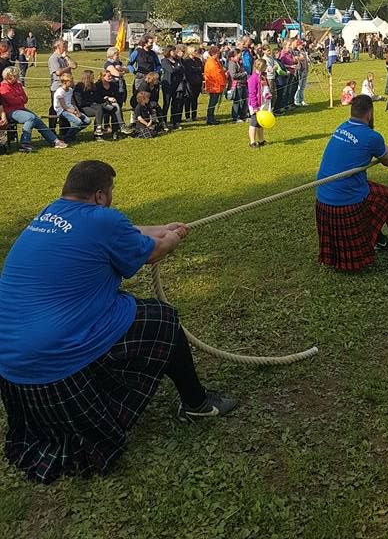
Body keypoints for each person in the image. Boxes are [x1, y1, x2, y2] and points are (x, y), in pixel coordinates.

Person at [0, 161, 236, 484]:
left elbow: (127, 231)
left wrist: (162, 226)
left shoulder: (50, 214)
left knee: (119, 311)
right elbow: (154, 252)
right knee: (163, 320)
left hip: (13, 368)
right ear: (99, 196)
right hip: (53, 364)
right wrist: (172, 239)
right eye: (110, 192)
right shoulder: (102, 220)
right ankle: (196, 404)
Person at [315, 95, 388, 270]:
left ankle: (379, 241)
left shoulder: (341, 128)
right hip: (346, 201)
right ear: (370, 113)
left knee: (372, 195)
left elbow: (379, 147)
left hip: (324, 198)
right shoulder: (371, 136)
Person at [0, 68, 68, 152]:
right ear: (9, 76)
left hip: (21, 108)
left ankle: (55, 141)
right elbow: (12, 101)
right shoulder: (3, 87)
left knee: (37, 120)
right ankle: (24, 144)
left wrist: (19, 98)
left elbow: (25, 99)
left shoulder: (18, 85)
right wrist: (19, 97)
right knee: (30, 118)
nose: (18, 78)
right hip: (10, 111)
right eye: (16, 76)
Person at [48, 39, 77, 133]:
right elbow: (58, 72)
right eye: (64, 46)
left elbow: (75, 65)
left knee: (66, 106)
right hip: (57, 87)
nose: (65, 48)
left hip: (67, 87)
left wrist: (67, 58)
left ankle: (64, 130)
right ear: (57, 47)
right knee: (56, 108)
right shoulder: (54, 58)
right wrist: (69, 67)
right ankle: (52, 129)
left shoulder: (64, 57)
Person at [53, 73, 91, 142]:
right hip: (62, 111)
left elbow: (73, 102)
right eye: (70, 81)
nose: (72, 82)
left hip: (71, 109)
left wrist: (78, 111)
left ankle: (70, 135)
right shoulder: (60, 92)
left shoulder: (70, 90)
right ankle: (67, 137)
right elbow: (63, 106)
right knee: (78, 122)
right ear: (65, 82)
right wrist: (74, 112)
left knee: (87, 121)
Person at [74, 69, 107, 142]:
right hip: (82, 108)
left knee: (100, 108)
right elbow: (79, 102)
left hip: (92, 105)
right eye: (92, 76)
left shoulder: (93, 86)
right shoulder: (79, 87)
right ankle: (98, 131)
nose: (94, 78)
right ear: (88, 77)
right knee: (99, 110)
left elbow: (96, 98)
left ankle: (98, 129)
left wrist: (105, 99)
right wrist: (91, 103)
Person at [247, 58, 271, 148]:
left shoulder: (263, 76)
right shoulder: (253, 78)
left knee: (261, 123)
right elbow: (252, 94)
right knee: (254, 123)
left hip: (263, 103)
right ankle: (252, 142)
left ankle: (261, 140)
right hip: (255, 105)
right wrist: (255, 106)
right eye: (265, 66)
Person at [203, 46, 227, 125]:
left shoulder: (215, 61)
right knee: (212, 103)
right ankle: (210, 119)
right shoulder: (211, 62)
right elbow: (216, 75)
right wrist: (223, 82)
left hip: (216, 86)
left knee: (213, 103)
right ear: (214, 53)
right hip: (214, 86)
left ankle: (211, 117)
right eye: (218, 53)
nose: (219, 54)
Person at [183, 46, 204, 121]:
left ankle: (194, 115)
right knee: (188, 99)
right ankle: (187, 116)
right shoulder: (186, 61)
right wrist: (196, 69)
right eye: (195, 51)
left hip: (197, 82)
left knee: (195, 99)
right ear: (190, 52)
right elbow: (188, 71)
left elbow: (201, 69)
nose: (196, 52)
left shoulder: (198, 60)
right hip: (189, 82)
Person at [293, 41, 309, 107]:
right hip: (300, 71)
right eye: (301, 44)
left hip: (305, 70)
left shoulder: (303, 52)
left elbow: (306, 60)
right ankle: (297, 100)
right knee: (299, 86)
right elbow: (296, 59)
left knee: (303, 86)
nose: (302, 46)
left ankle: (302, 100)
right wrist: (299, 58)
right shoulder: (295, 52)